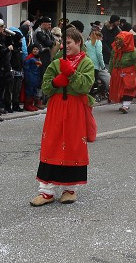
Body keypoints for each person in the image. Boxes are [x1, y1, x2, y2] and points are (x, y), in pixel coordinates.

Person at [31, 28, 96, 206]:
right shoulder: (55, 63)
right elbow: (45, 87)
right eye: (63, 42)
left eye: (69, 42)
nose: (65, 45)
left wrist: (72, 74)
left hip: (75, 109)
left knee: (73, 145)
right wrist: (55, 82)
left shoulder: (87, 63)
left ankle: (70, 189)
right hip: (56, 108)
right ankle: (46, 191)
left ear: (78, 43)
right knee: (51, 144)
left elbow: (85, 86)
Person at [108, 23, 136, 113]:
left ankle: (125, 105)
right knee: (119, 88)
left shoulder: (132, 50)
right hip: (117, 71)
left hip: (129, 72)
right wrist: (111, 70)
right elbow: (112, 59)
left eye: (120, 41)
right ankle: (124, 103)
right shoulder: (115, 48)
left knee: (128, 88)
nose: (118, 43)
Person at [23, 46, 44, 111]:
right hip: (30, 77)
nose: (35, 50)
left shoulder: (37, 58)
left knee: (34, 92)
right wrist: (28, 77)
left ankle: (31, 104)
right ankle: (27, 105)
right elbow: (26, 69)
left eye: (36, 49)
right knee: (29, 92)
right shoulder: (29, 58)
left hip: (35, 78)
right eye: (34, 49)